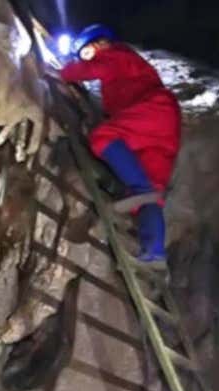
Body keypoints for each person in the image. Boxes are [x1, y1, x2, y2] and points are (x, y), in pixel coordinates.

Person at [59, 24, 181, 267]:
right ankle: (154, 252)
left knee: (103, 137)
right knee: (149, 196)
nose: (89, 57)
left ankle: (135, 190)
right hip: (162, 128)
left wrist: (65, 71)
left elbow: (89, 69)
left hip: (153, 111)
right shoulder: (124, 66)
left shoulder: (117, 54)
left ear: (102, 43)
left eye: (88, 51)